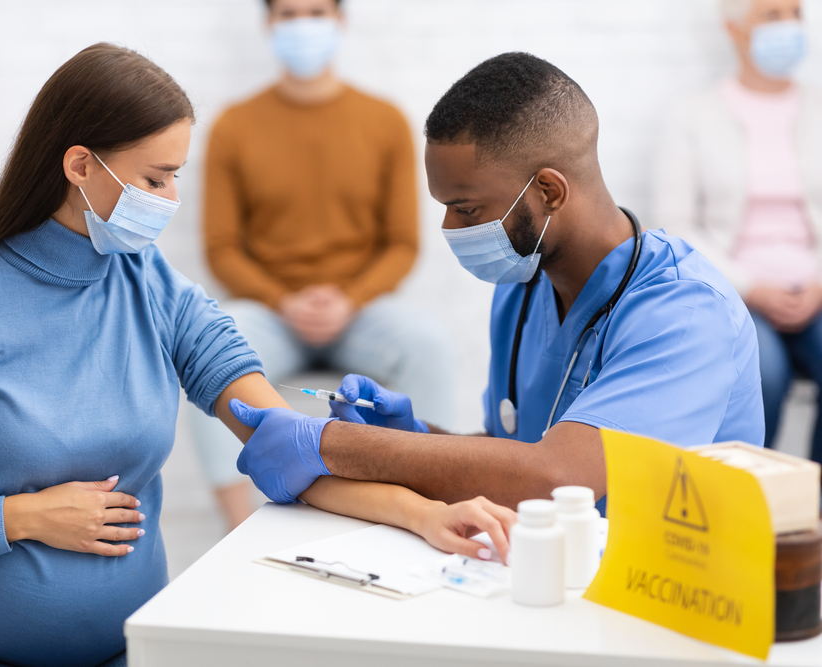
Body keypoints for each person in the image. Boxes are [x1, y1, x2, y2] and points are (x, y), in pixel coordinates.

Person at [0, 43, 518, 667]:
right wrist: (17, 517)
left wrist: (422, 512)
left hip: (130, 650)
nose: (171, 200)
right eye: (155, 179)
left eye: (176, 176)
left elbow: (283, 441)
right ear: (79, 166)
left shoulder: (152, 286)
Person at [228, 52, 765, 512]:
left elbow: (557, 476)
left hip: (669, 602)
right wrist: (412, 438)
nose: (449, 229)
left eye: (466, 208)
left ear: (550, 191)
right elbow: (512, 449)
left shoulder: (686, 313)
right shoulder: (524, 284)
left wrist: (335, 444)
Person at [191, 0, 455, 529]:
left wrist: (348, 300)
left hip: (360, 310)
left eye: (316, 11)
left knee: (429, 343)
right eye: (289, 13)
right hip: (272, 311)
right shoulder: (233, 126)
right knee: (206, 346)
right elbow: (222, 248)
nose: (303, 24)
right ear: (268, 23)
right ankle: (239, 527)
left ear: (340, 19)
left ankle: (431, 501)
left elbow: (403, 243)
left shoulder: (384, 121)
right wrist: (284, 300)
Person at [654, 0, 822, 464]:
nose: (788, 25)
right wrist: (752, 288)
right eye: (772, 15)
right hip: (734, 295)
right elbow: (675, 228)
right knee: (762, 372)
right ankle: (750, 510)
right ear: (733, 28)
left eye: (795, 14)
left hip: (814, 291)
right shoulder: (690, 115)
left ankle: (813, 514)